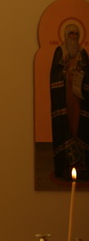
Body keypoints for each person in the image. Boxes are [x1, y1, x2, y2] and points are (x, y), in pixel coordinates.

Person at [50, 23, 89, 180]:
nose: (74, 37)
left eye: (76, 34)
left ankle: (81, 163)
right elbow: (54, 74)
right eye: (71, 34)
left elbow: (88, 73)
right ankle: (66, 163)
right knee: (66, 125)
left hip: (79, 99)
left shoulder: (83, 53)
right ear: (66, 36)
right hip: (65, 97)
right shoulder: (60, 51)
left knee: (78, 125)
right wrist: (65, 72)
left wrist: (80, 72)